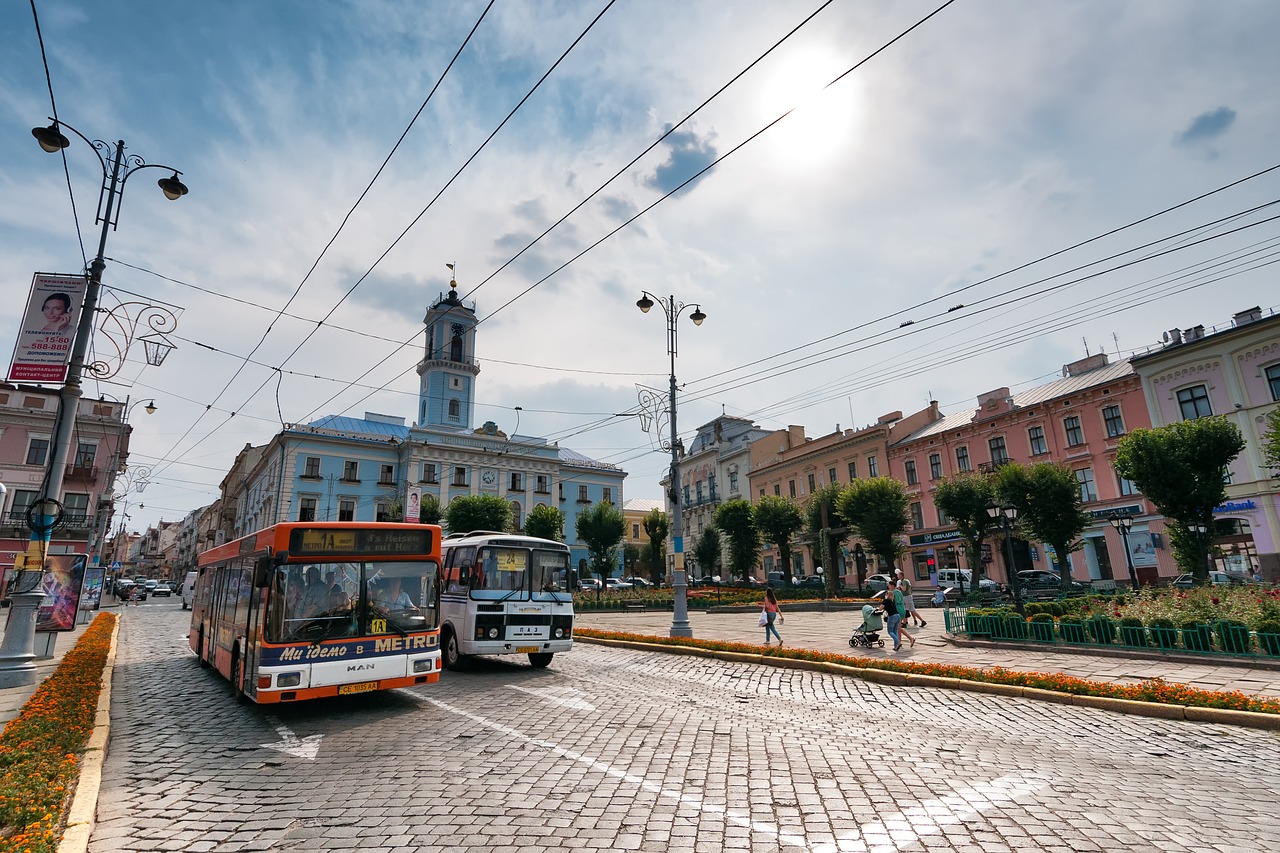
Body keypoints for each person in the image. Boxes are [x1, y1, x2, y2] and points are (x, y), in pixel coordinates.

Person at [893, 580, 916, 649]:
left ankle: (911, 638)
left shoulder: (893, 593)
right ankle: (899, 642)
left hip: (897, 610)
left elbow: (891, 602)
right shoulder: (899, 592)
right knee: (898, 627)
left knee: (898, 627)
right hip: (902, 610)